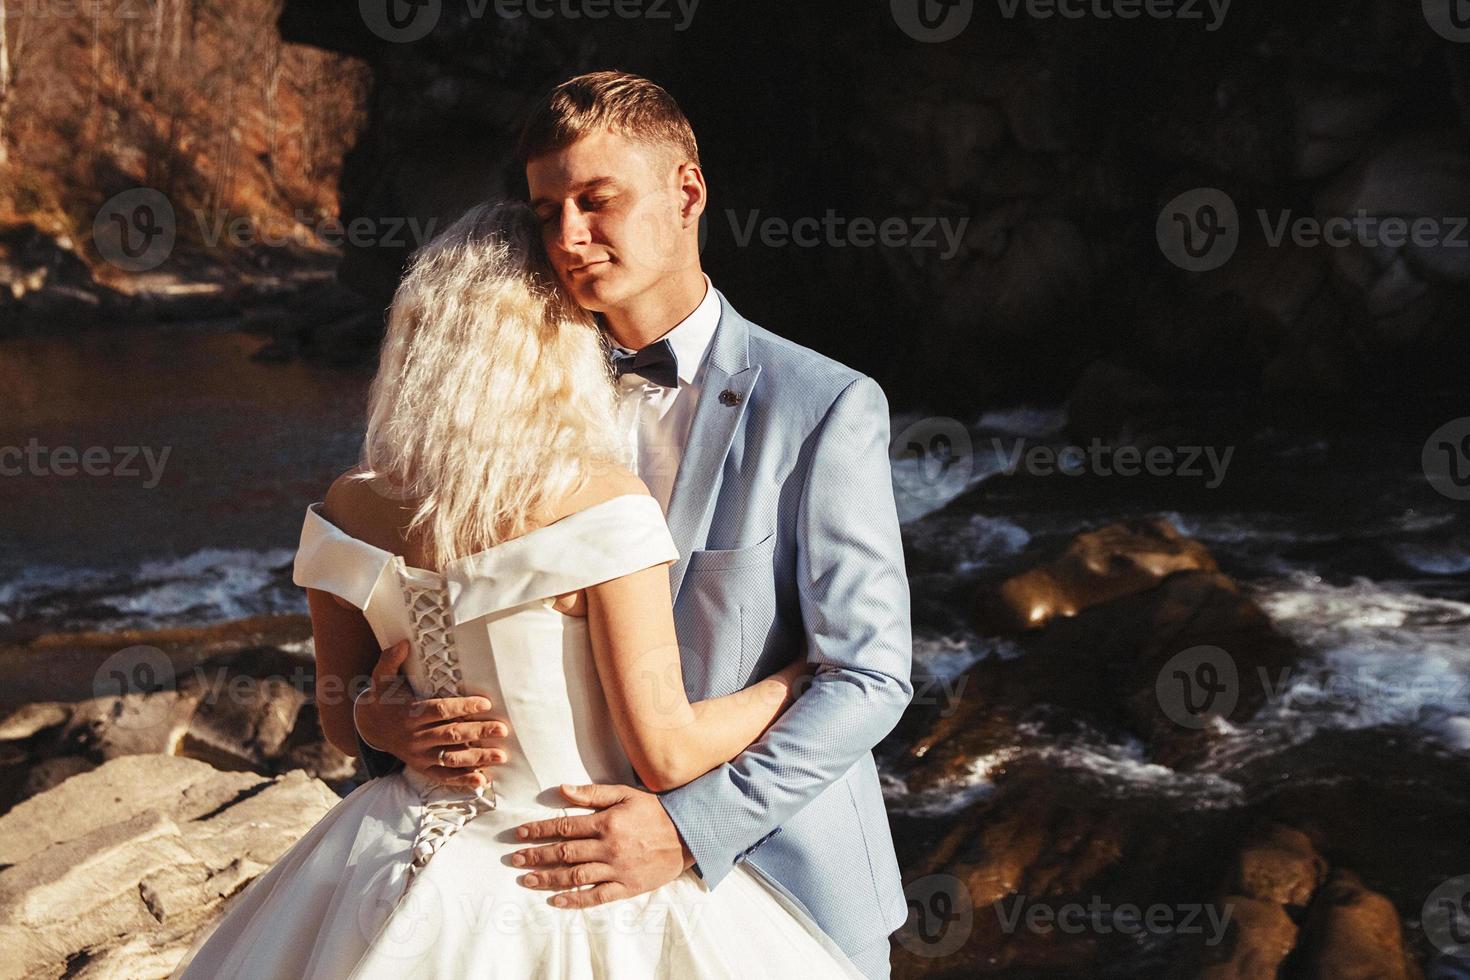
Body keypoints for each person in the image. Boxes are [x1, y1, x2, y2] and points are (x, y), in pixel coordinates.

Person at [168, 198, 870, 978]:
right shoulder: (600, 502)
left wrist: (380, 716)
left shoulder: (349, 505)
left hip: (384, 849)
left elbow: (340, 717)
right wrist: (793, 683)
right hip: (566, 860)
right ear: (553, 337)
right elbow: (667, 751)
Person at [351, 71, 914, 979]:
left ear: (687, 192)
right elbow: (441, 619)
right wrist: (389, 723)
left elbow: (870, 677)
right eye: (545, 212)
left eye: (596, 200)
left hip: (780, 883)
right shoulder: (502, 408)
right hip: (551, 895)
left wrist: (689, 830)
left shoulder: (825, 406)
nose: (568, 238)